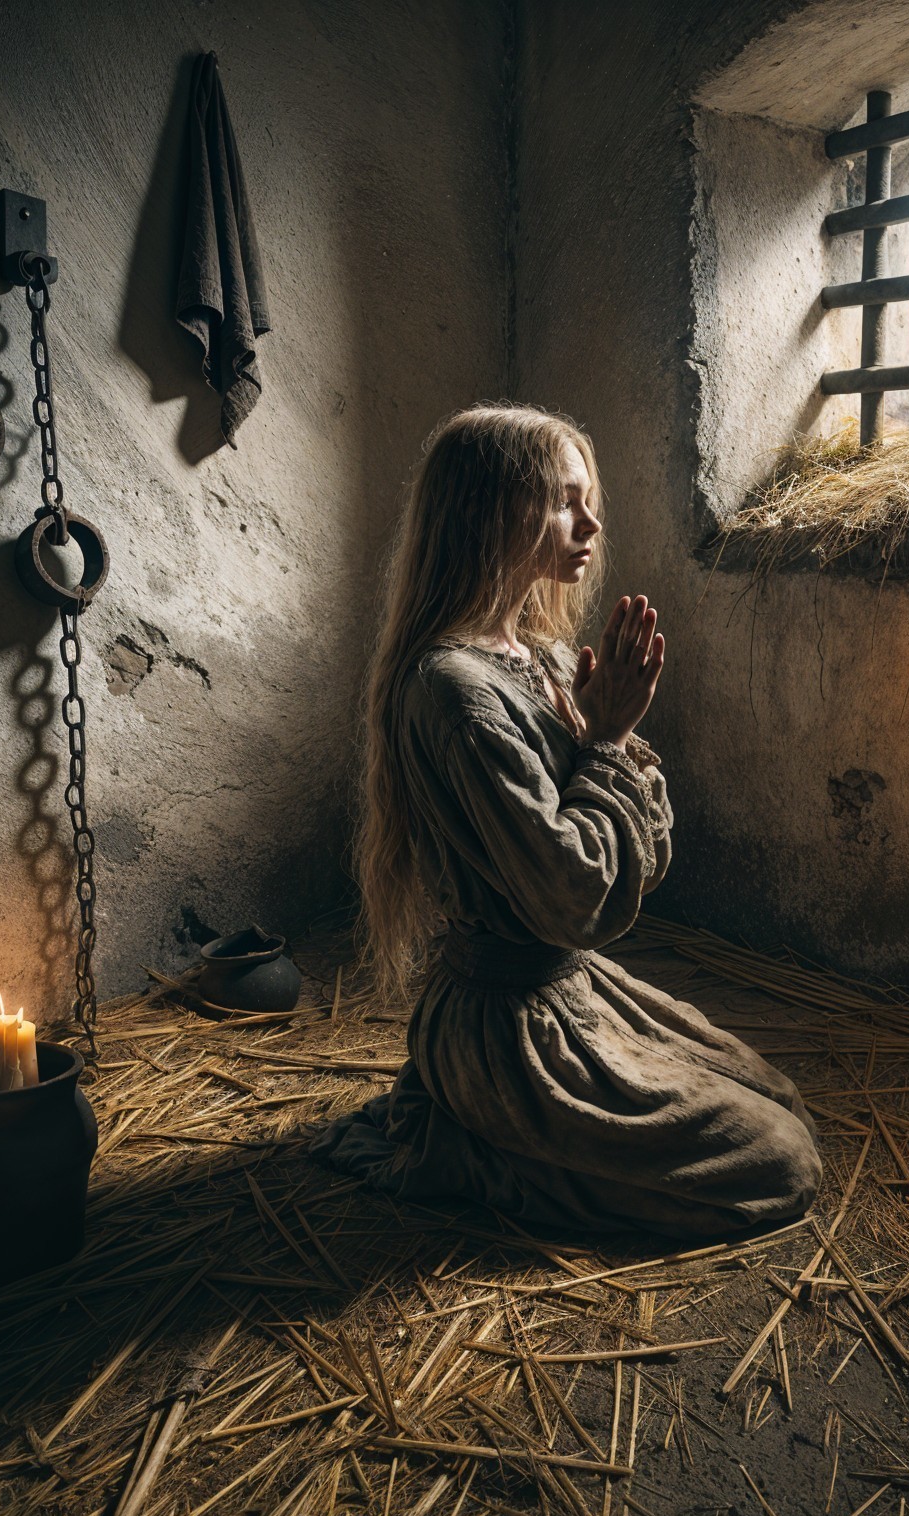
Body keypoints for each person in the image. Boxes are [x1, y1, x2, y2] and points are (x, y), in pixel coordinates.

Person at [308, 404, 822, 1238]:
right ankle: (475, 1156)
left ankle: (500, 1134)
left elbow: (646, 856)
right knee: (780, 1166)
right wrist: (609, 740)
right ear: (490, 513)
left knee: (781, 1101)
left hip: (569, 986)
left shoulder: (543, 660)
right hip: (506, 1023)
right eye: (562, 501)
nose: (588, 523)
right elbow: (575, 899)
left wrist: (601, 742)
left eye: (591, 502)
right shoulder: (453, 692)